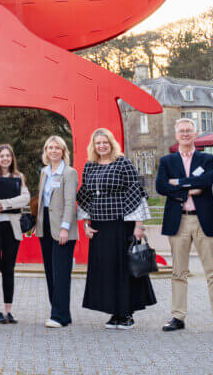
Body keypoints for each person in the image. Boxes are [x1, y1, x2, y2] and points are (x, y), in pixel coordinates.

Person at [156, 117, 213, 334]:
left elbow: (206, 181)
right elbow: (161, 186)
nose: (185, 134)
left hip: (203, 219)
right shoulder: (167, 161)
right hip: (178, 221)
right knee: (178, 272)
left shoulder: (207, 158)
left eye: (189, 130)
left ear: (195, 133)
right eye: (182, 131)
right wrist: (190, 187)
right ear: (176, 135)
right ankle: (177, 317)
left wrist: (178, 183)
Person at [77, 128, 156, 329]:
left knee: (123, 268)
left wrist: (139, 226)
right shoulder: (90, 165)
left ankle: (127, 313)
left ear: (111, 143)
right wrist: (86, 224)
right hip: (99, 225)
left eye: (105, 142)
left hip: (122, 223)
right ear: (93, 146)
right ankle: (114, 312)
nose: (102, 146)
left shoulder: (123, 163)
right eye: (98, 143)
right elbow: (86, 196)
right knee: (106, 269)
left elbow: (136, 193)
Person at [35, 135, 78, 328]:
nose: (53, 151)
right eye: (49, 148)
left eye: (57, 148)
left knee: (61, 273)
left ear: (63, 151)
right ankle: (60, 313)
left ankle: (59, 316)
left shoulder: (69, 173)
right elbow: (43, 201)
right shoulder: (44, 172)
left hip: (62, 228)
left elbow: (70, 202)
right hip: (45, 226)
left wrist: (64, 228)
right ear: (45, 151)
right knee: (50, 272)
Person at [0, 143, 30, 324]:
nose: (5, 159)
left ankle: (9, 310)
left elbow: (25, 198)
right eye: (1, 156)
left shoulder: (19, 177)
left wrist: (3, 204)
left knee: (9, 269)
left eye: (8, 156)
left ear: (12, 158)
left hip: (12, 228)